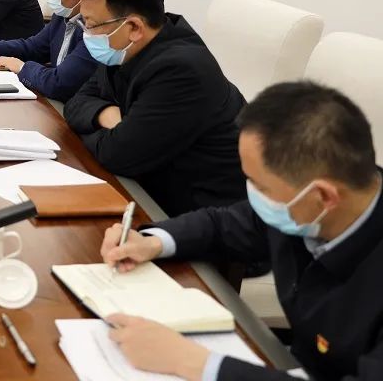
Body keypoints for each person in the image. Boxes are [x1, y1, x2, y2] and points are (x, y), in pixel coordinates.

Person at [100, 82, 383, 381]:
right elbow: (227, 224)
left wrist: (196, 364)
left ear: (323, 197)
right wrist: (153, 241)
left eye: (261, 186)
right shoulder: (309, 205)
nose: (252, 195)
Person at [64, 0, 246, 216]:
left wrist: (105, 129)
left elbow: (118, 155)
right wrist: (106, 115)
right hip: (147, 184)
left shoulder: (181, 70)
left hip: (198, 212)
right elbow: (76, 103)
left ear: (134, 27)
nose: (88, 34)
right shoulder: (124, 47)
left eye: (91, 25)